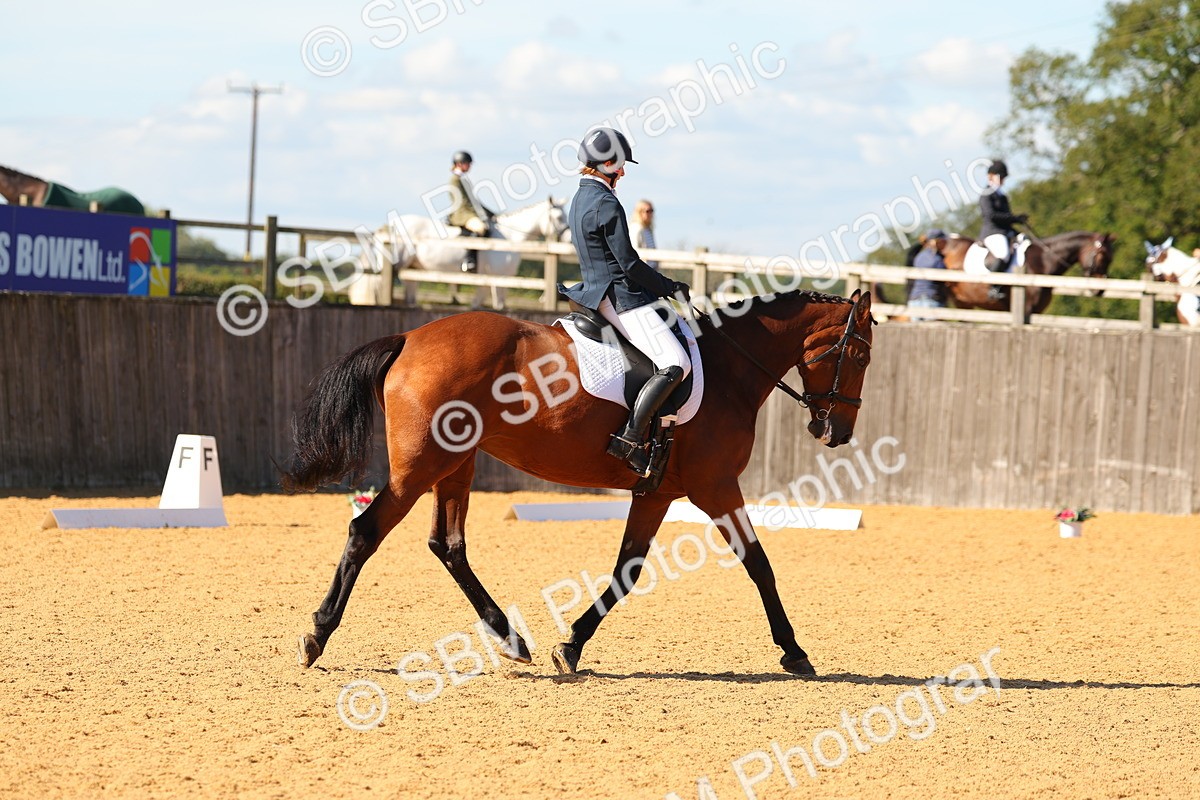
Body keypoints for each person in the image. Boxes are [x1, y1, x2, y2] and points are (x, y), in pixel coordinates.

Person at [561, 128, 691, 477]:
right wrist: (670, 286)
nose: (623, 173)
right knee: (677, 362)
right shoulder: (606, 202)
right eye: (620, 166)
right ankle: (630, 438)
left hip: (593, 293)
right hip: (622, 300)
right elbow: (630, 265)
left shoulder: (579, 198)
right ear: (606, 163)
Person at [978, 159, 1028, 301]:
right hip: (992, 232)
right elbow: (991, 215)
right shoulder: (986, 194)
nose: (1003, 180)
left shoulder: (1002, 196)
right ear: (990, 177)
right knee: (1003, 253)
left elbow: (1006, 217)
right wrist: (1014, 218)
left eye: (1004, 178)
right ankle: (994, 288)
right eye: (1000, 177)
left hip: (1005, 232)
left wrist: (1018, 225)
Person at [446, 151, 496, 273]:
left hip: (468, 212)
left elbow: (474, 200)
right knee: (481, 228)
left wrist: (490, 213)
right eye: (468, 164)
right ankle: (469, 260)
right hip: (461, 214)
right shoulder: (455, 180)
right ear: (459, 164)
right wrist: (478, 214)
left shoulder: (463, 179)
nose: (470, 166)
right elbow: (463, 202)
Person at [908, 229, 948, 320]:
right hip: (931, 299)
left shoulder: (919, 256)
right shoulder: (937, 259)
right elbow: (943, 276)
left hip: (915, 299)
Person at [630, 199, 659, 269]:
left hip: (651, 269)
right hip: (643, 270)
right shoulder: (636, 229)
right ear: (639, 212)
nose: (650, 214)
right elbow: (634, 250)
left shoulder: (648, 229)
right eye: (647, 211)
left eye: (651, 211)